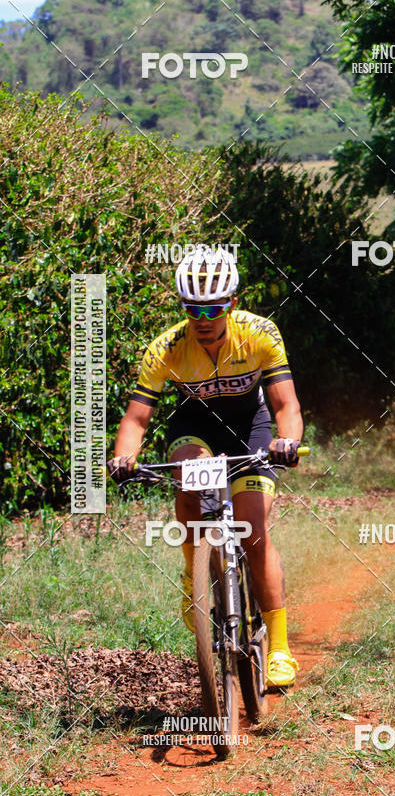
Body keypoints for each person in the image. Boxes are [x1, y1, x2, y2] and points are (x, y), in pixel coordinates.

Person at [107, 246, 304, 688]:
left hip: (249, 427)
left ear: (231, 303)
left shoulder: (260, 333)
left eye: (213, 308)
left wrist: (287, 441)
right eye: (192, 308)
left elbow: (285, 403)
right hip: (194, 427)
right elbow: (137, 418)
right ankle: (194, 565)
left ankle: (280, 646)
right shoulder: (167, 348)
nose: (203, 317)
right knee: (189, 484)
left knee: (253, 531)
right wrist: (124, 456)